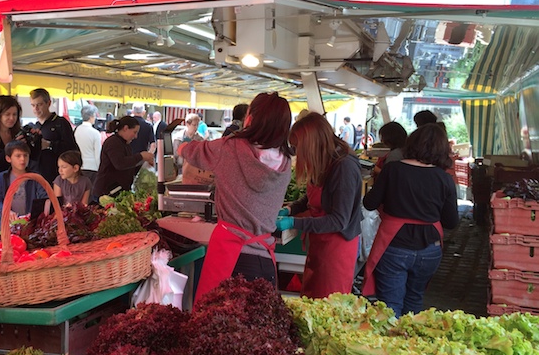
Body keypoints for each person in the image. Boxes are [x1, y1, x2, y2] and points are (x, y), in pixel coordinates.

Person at [178, 92, 293, 302]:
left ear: (250, 118)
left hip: (231, 259)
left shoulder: (230, 147)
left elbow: (194, 151)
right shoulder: (285, 162)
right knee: (253, 333)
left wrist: (182, 146)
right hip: (265, 261)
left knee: (213, 327)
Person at [362, 123, 459, 317]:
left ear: (411, 143)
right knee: (414, 300)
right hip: (430, 249)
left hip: (394, 245)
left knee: (390, 305)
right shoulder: (444, 178)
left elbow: (370, 203)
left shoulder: (393, 170)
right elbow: (451, 222)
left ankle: (388, 345)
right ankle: (409, 342)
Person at [276, 112, 363, 298]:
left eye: (298, 147)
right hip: (319, 244)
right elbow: (311, 198)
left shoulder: (344, 167)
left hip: (337, 249)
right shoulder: (324, 160)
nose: (297, 153)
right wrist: (292, 209)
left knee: (328, 303)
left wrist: (294, 223)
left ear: (311, 144)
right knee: (311, 297)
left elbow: (339, 221)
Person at [92, 116, 154, 200]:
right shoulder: (113, 142)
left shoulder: (125, 145)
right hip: (107, 192)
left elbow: (128, 165)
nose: (135, 136)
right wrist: (140, 156)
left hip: (117, 191)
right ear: (125, 128)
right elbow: (120, 164)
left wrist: (143, 162)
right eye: (134, 132)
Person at [26, 88, 79, 186]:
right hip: (36, 177)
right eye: (33, 105)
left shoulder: (60, 123)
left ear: (48, 103)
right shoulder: (34, 127)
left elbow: (72, 149)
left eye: (39, 104)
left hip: (57, 178)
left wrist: (50, 145)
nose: (36, 108)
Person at [0, 140, 47, 226]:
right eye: (18, 156)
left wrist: (33, 214)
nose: (22, 159)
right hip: (8, 223)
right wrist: (6, 211)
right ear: (8, 158)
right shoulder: (2, 177)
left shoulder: (35, 177)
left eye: (25, 155)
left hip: (30, 223)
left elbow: (43, 198)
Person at [0, 95, 22, 191]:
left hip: (16, 185)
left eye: (15, 114)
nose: (11, 118)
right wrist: (12, 146)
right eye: (7, 114)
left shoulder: (18, 133)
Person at [74, 104, 102, 185]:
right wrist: (100, 169)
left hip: (79, 166)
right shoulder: (95, 133)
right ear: (91, 116)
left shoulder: (76, 130)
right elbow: (98, 154)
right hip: (92, 168)